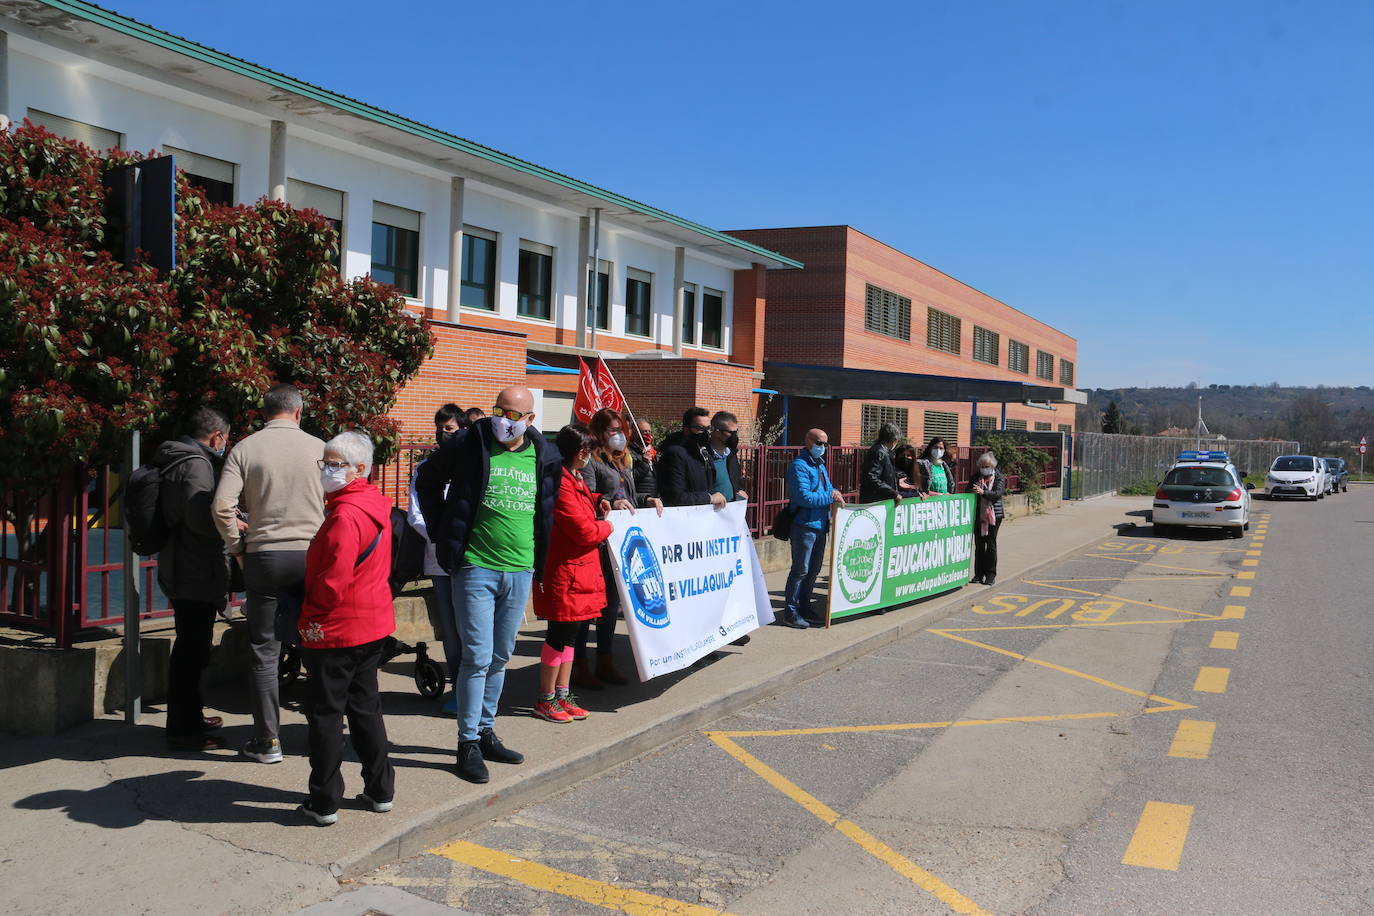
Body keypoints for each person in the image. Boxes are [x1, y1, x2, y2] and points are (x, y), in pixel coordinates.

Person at [415, 385, 561, 784]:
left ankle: (485, 730)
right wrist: (442, 531)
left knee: (500, 656)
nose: (504, 419)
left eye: (514, 414)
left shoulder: (544, 454)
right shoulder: (468, 441)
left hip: (520, 568)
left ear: (531, 419)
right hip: (476, 567)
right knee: (476, 657)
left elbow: (546, 511)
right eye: (500, 410)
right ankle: (467, 744)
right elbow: (426, 479)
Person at [213, 384, 326, 764]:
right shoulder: (320, 448)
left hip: (264, 555)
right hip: (312, 555)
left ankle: (267, 740)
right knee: (317, 645)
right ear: (298, 412)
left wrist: (237, 548)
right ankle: (321, 735)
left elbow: (221, 506)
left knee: (264, 650)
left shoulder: (245, 448)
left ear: (266, 412)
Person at [295, 431, 396, 826]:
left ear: (360, 469)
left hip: (337, 628)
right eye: (326, 462)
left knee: (325, 714)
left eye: (336, 464)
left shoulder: (344, 514)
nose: (328, 470)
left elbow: (331, 581)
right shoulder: (374, 505)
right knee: (365, 708)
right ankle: (380, 789)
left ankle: (324, 800)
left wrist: (310, 614)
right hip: (371, 623)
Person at [154, 407, 233, 751]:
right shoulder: (197, 464)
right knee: (191, 653)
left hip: (180, 564)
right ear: (217, 436)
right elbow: (201, 519)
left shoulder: (175, 457)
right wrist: (233, 523)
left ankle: (189, 719)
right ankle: (184, 731)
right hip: (194, 570)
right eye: (226, 439)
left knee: (190, 649)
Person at [575, 408, 664, 688]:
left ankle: (605, 660)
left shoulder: (622, 460)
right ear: (600, 432)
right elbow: (586, 496)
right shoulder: (591, 460)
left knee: (611, 605)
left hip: (622, 543)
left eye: (621, 430)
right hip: (600, 542)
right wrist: (610, 505)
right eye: (613, 431)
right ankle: (579, 665)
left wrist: (647, 498)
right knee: (591, 606)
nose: (619, 436)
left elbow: (629, 495)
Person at [531, 424, 610, 722]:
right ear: (580, 452)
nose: (591, 456)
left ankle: (562, 695)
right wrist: (608, 525)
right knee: (558, 635)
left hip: (581, 571)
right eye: (589, 451)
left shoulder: (573, 477)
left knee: (572, 636)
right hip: (566, 572)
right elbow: (584, 531)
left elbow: (583, 505)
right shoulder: (561, 482)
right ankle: (546, 698)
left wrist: (598, 499)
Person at [407, 403, 465, 715]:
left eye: (450, 430)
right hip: (442, 561)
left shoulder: (474, 468)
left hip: (474, 561)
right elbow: (417, 515)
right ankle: (459, 688)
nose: (443, 435)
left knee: (477, 631)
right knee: (452, 631)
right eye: (440, 429)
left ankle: (479, 692)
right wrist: (445, 539)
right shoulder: (425, 470)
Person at [781, 428, 844, 629]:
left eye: (825, 444)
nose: (822, 447)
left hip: (820, 525)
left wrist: (834, 492)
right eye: (819, 443)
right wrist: (830, 497)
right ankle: (790, 611)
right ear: (808, 441)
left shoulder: (820, 465)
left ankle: (805, 607)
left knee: (814, 570)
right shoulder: (799, 466)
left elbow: (829, 488)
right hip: (804, 526)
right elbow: (804, 497)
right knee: (800, 570)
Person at [658, 409, 747, 509]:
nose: (705, 432)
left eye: (708, 428)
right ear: (687, 430)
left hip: (707, 515)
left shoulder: (702, 453)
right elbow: (674, 496)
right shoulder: (675, 454)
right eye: (700, 428)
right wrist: (709, 498)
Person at [970, 452, 1006, 585]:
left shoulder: (999, 478)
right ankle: (978, 575)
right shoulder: (976, 477)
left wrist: (984, 492)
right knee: (979, 545)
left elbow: (997, 494)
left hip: (994, 516)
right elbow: (969, 490)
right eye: (982, 466)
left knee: (990, 545)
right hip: (979, 515)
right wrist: (973, 491)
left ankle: (990, 575)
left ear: (992, 466)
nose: (985, 468)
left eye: (987, 466)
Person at [859, 422, 902, 504]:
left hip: (881, 500)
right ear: (894, 440)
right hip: (876, 501)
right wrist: (892, 492)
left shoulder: (884, 451)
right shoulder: (879, 452)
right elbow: (871, 477)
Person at [630, 418, 659, 506]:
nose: (648, 435)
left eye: (649, 432)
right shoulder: (629, 453)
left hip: (655, 500)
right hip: (640, 501)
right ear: (634, 433)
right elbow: (631, 477)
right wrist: (643, 463)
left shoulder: (654, 453)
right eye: (644, 432)